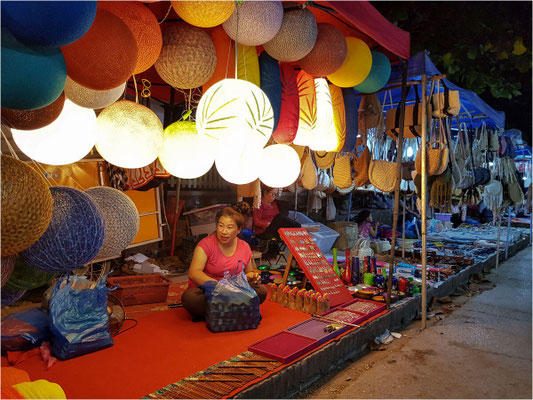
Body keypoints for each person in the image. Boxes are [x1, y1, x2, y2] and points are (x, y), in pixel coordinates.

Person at [181, 207, 267, 321]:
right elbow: (193, 273)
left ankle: (218, 312)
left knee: (261, 290)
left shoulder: (244, 246)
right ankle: (235, 310)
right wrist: (220, 286)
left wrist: (252, 277)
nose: (223, 231)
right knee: (190, 298)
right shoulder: (206, 244)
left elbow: (249, 271)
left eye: (229, 227)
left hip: (234, 289)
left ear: (238, 229)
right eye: (221, 226)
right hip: (210, 290)